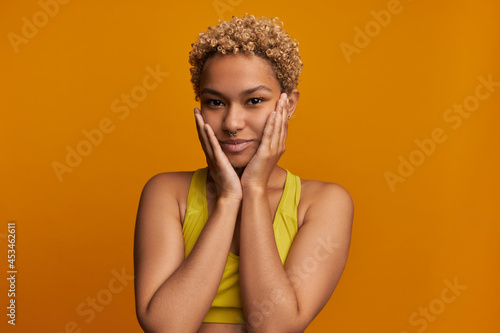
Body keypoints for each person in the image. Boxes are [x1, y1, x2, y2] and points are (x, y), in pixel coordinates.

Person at [134, 14, 354, 333]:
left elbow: (274, 327)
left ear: (288, 104)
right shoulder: (167, 193)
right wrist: (228, 199)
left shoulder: (322, 203)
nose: (232, 123)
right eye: (215, 102)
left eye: (253, 100)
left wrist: (254, 190)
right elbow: (167, 327)